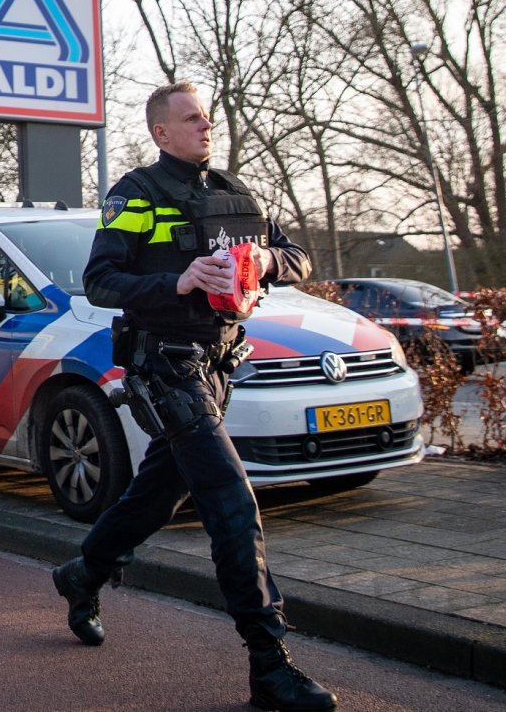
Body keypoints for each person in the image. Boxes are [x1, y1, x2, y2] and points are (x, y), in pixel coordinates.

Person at [51, 82, 337, 712]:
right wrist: (177, 278)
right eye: (192, 118)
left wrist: (264, 260)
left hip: (220, 366)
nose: (207, 125)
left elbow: (298, 257)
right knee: (233, 505)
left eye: (207, 116)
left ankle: (84, 572)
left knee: (158, 492)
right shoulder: (135, 194)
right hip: (164, 367)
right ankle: (270, 667)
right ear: (161, 132)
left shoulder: (236, 193)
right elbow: (100, 280)